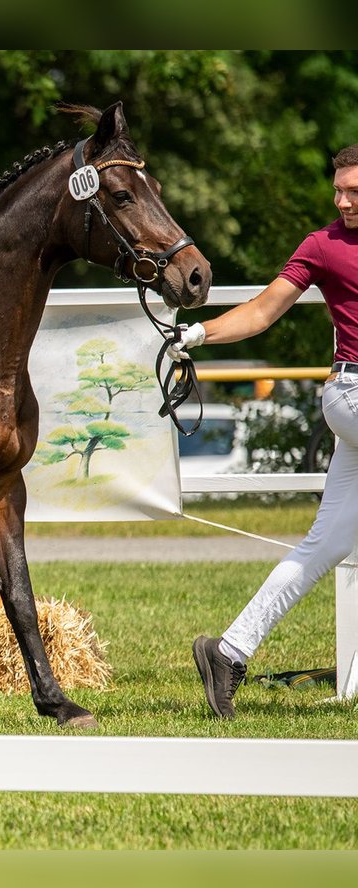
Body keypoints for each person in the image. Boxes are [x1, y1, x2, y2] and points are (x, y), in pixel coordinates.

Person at [171, 142, 358, 718]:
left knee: (324, 544)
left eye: (354, 191)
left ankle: (228, 652)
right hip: (353, 393)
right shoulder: (322, 246)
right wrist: (199, 335)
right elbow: (262, 310)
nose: (342, 200)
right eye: (338, 189)